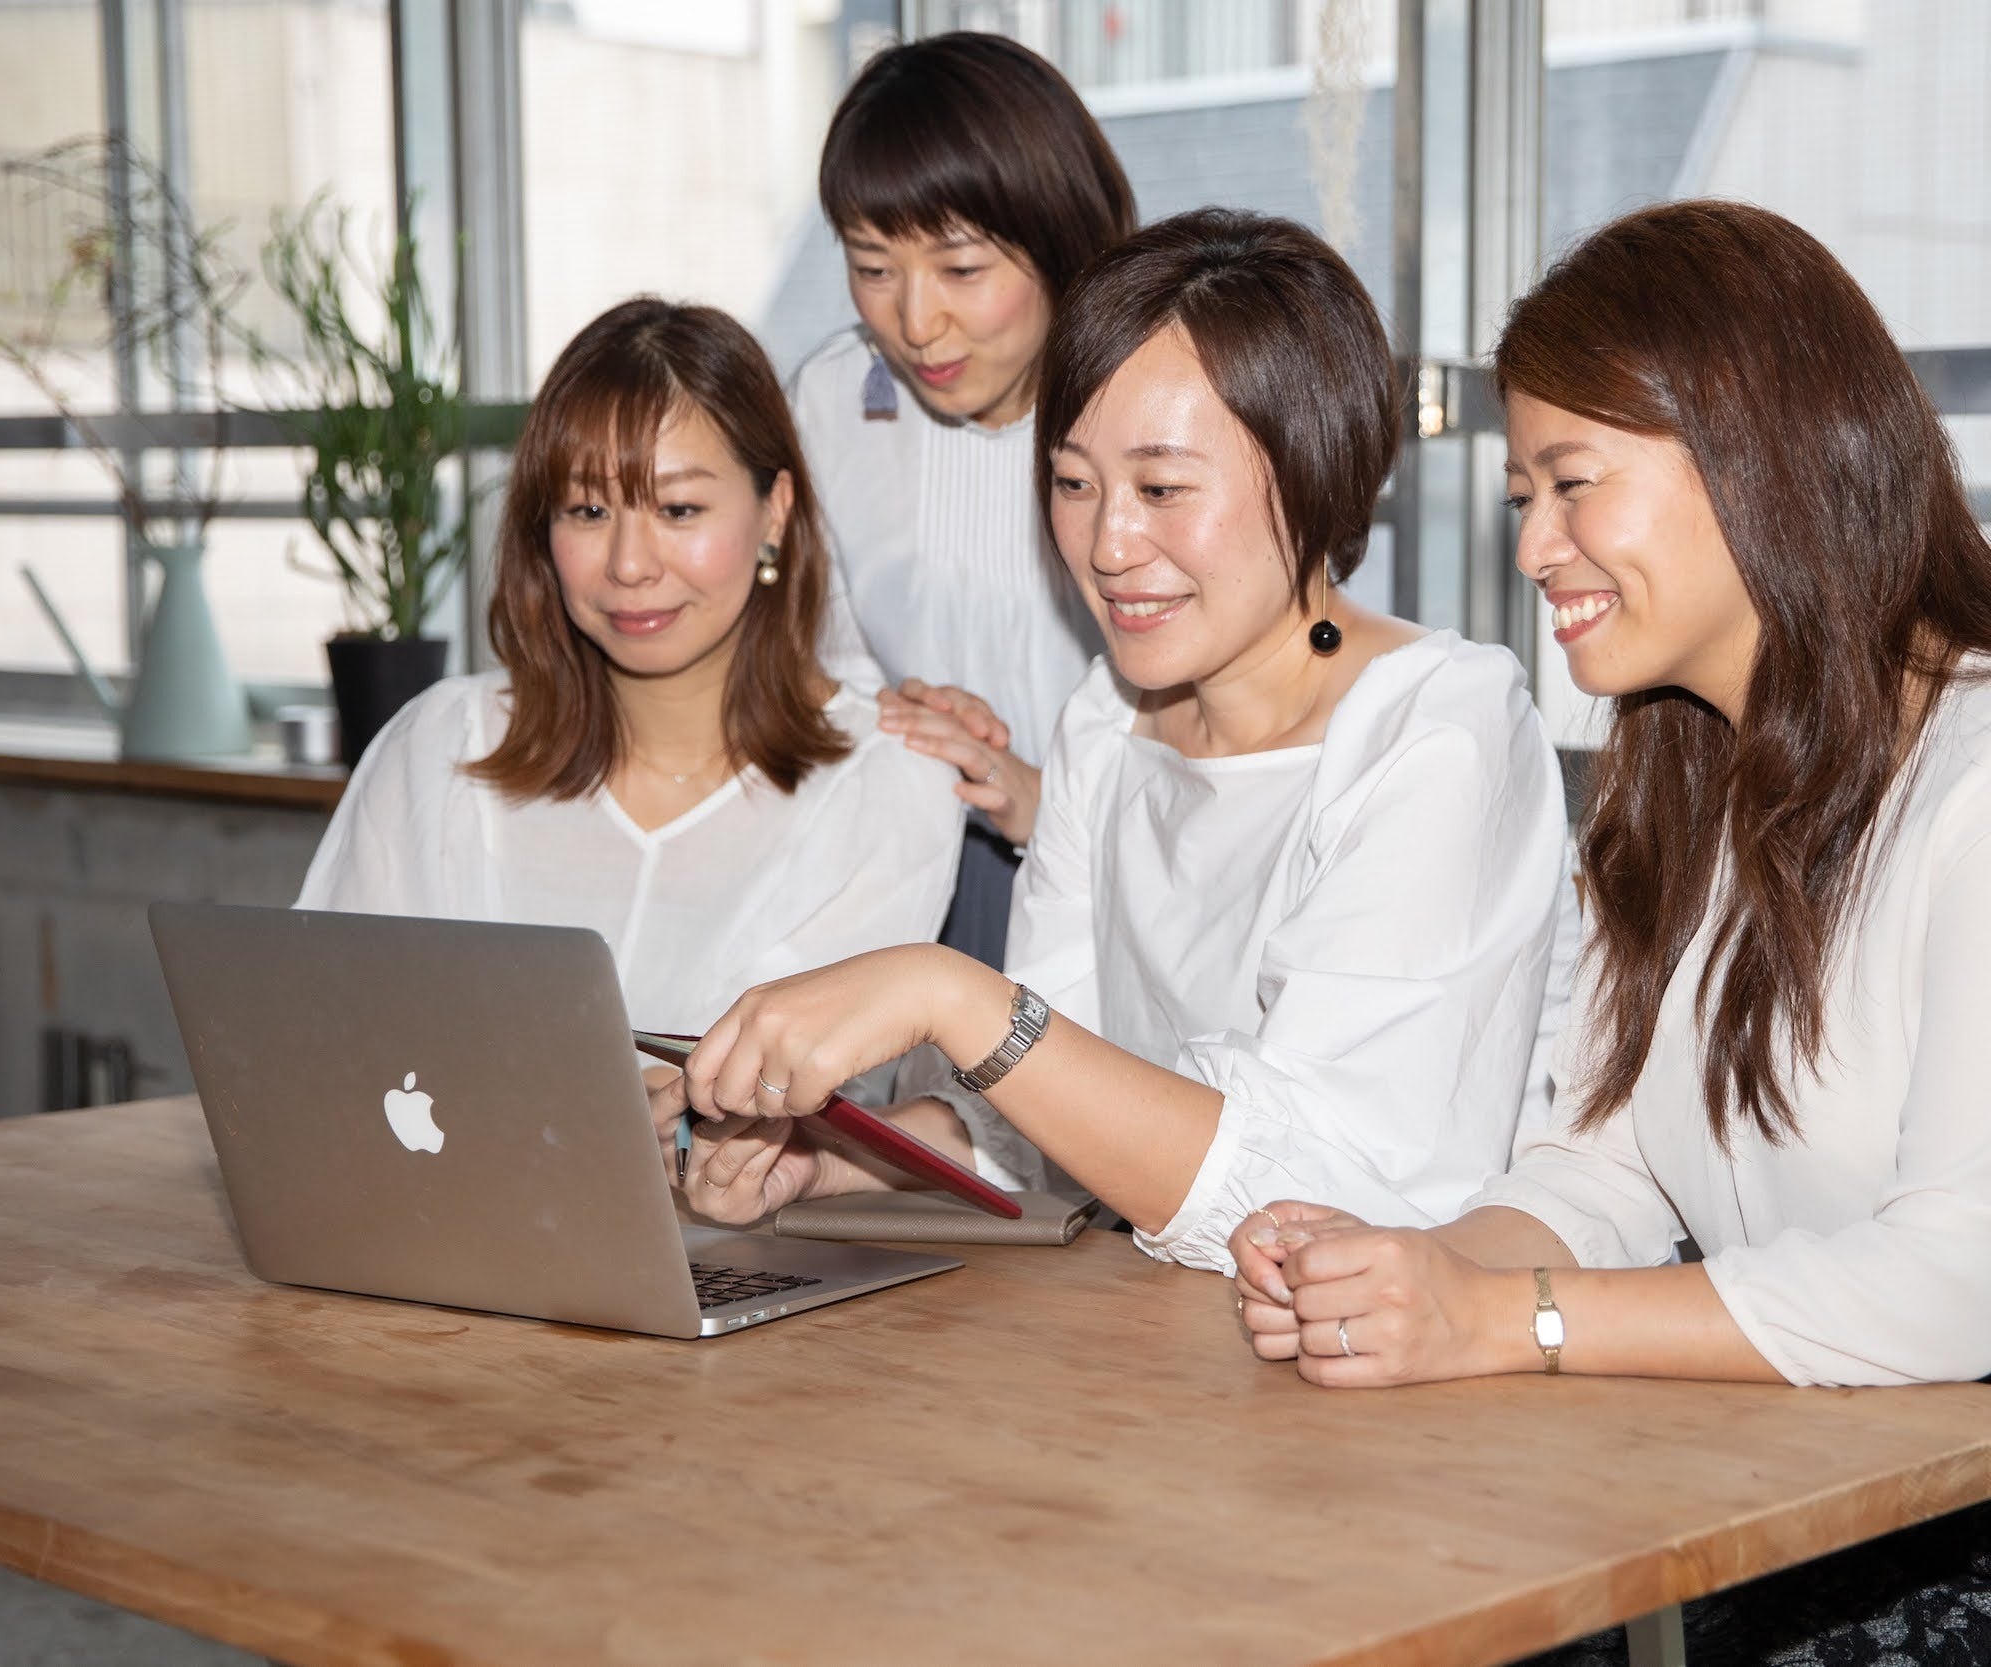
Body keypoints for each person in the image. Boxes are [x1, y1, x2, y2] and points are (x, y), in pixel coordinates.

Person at [1231, 202, 1991, 1663]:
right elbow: (1603, 1166)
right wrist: (1404, 1277)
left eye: (1573, 483)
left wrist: (1506, 1319)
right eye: (1521, 496)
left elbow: (1944, 1286)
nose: (1536, 546)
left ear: (1756, 454)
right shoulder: (1681, 771)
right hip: (1821, 1447)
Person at [658, 211, 1582, 1273]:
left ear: (1313, 470)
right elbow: (1048, 1118)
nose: (1107, 544)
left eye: (1161, 489)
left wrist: (945, 992)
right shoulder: (1107, 723)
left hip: (1403, 1347)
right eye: (1073, 482)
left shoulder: (1437, 730)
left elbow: (1323, 1189)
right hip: (1181, 1331)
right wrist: (826, 1162)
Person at [298, 298, 963, 1040]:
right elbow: (317, 1035)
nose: (629, 565)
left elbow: (813, 1088)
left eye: (678, 510)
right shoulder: (441, 747)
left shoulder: (887, 786)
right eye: (588, 511)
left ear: (775, 511)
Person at [791, 31, 1137, 966]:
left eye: (961, 269)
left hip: (1127, 864)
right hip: (906, 841)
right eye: (873, 268)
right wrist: (902, 717)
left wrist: (1042, 796)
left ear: (1059, 238)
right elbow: (822, 658)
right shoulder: (833, 398)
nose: (914, 322)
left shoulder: (1149, 404)